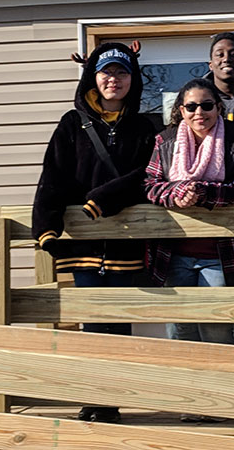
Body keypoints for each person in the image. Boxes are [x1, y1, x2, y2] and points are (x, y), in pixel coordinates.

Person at [32, 42, 156, 423]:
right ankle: (91, 399)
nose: (113, 80)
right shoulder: (72, 123)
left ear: (131, 80)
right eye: (106, 73)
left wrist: (105, 197)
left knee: (117, 324)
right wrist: (47, 227)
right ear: (93, 77)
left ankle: (112, 402)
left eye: (121, 73)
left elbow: (148, 176)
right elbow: (53, 175)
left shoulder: (144, 126)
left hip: (125, 239)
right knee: (89, 325)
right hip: (83, 244)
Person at [145, 78, 234, 348]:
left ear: (218, 107)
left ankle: (222, 390)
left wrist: (206, 193)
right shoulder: (164, 141)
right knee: (179, 331)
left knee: (218, 330)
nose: (199, 112)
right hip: (174, 253)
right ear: (181, 110)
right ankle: (186, 390)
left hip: (222, 255)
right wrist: (177, 194)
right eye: (191, 106)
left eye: (207, 105)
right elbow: (149, 185)